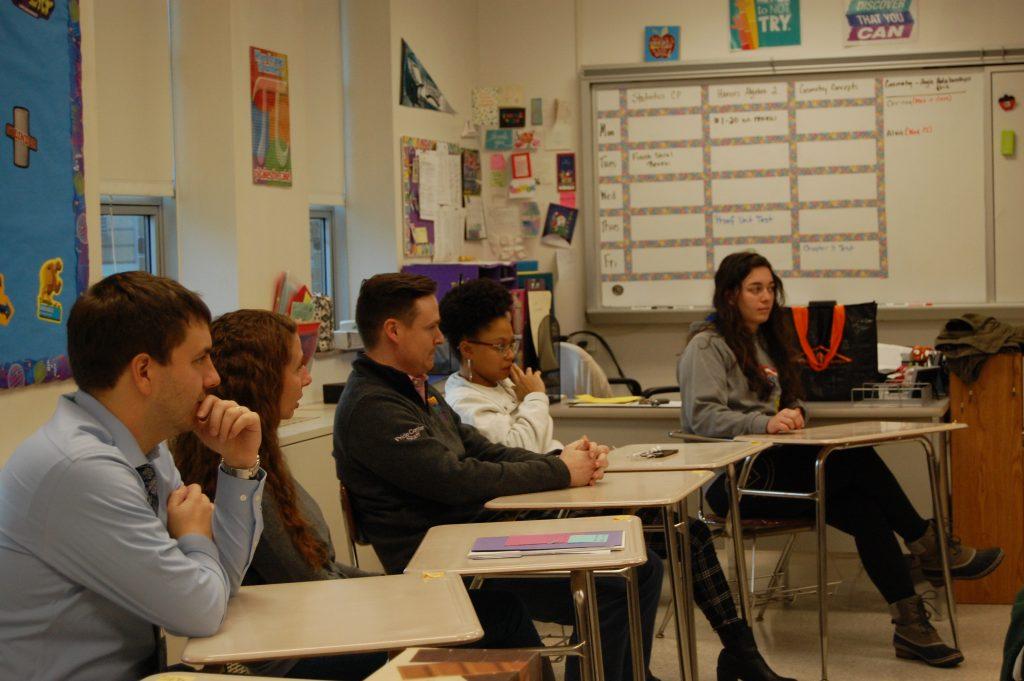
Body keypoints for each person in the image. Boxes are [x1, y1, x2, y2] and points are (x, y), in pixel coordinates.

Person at [439, 277, 796, 681]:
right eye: (499, 346)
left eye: (512, 343)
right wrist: (536, 398)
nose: (510, 355)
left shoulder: (505, 386)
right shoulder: (464, 401)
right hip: (531, 524)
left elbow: (540, 449)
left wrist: (581, 453)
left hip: (555, 505)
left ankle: (714, 653)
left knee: (685, 534)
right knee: (657, 550)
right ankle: (673, 663)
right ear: (467, 349)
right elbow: (521, 446)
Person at [172, 309, 549, 679]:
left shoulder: (257, 457)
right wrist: (395, 597)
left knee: (495, 608)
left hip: (326, 622)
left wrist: (397, 589)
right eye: (296, 368)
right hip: (303, 650)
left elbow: (324, 572)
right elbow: (310, 585)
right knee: (502, 614)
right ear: (264, 380)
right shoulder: (239, 474)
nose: (306, 379)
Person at [678, 250, 1004, 668]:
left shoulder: (767, 342)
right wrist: (766, 424)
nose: (766, 297)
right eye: (754, 289)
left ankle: (911, 624)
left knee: (866, 509)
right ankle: (931, 547)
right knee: (856, 460)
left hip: (777, 469)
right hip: (736, 481)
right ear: (729, 295)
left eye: (770, 288)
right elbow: (701, 416)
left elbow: (792, 401)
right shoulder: (707, 345)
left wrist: (796, 413)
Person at [333, 273, 661, 681]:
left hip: (476, 539)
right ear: (394, 331)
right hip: (446, 562)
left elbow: (483, 450)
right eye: (431, 327)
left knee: (639, 565)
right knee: (617, 583)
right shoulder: (373, 406)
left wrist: (563, 461)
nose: (440, 338)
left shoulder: (416, 389)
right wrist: (559, 470)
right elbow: (457, 479)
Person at [0, 271, 265, 681]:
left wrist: (239, 465)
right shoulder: (80, 469)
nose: (213, 377)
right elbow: (199, 611)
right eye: (199, 359)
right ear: (144, 372)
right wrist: (195, 537)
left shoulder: (146, 450)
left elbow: (220, 585)